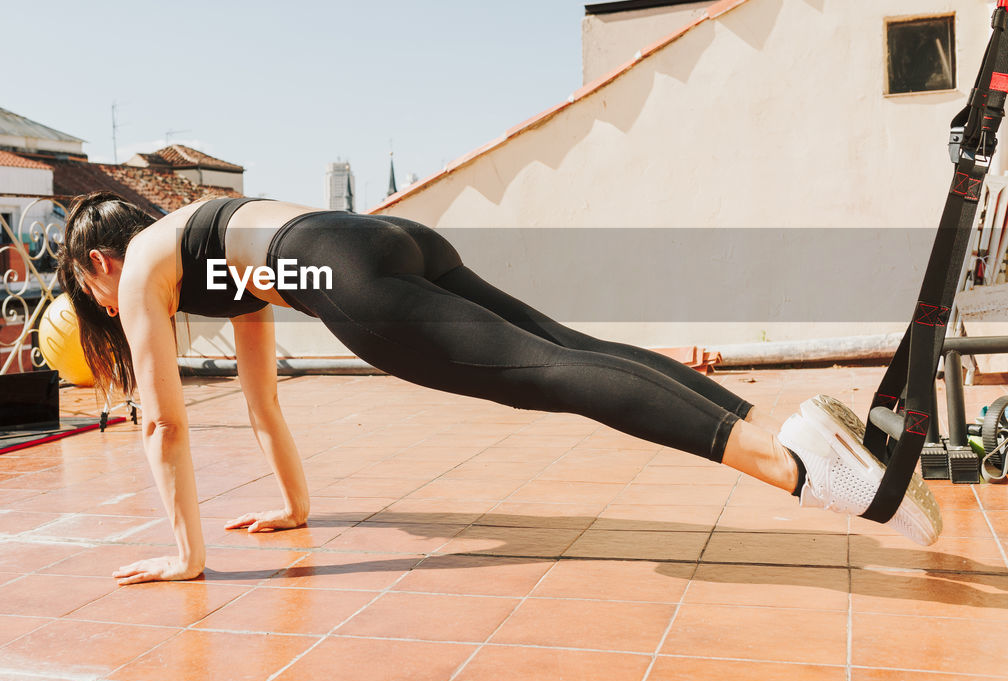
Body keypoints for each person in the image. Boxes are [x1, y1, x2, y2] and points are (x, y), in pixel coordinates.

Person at [57, 193, 942, 584]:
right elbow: (262, 401)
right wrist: (292, 506)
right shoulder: (208, 244)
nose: (103, 304)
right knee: (569, 348)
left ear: (98, 261)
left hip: (341, 271)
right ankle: (795, 440)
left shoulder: (136, 267)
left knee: (551, 376)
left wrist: (187, 556)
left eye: (87, 292)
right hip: (379, 237)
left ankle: (800, 469)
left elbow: (163, 429)